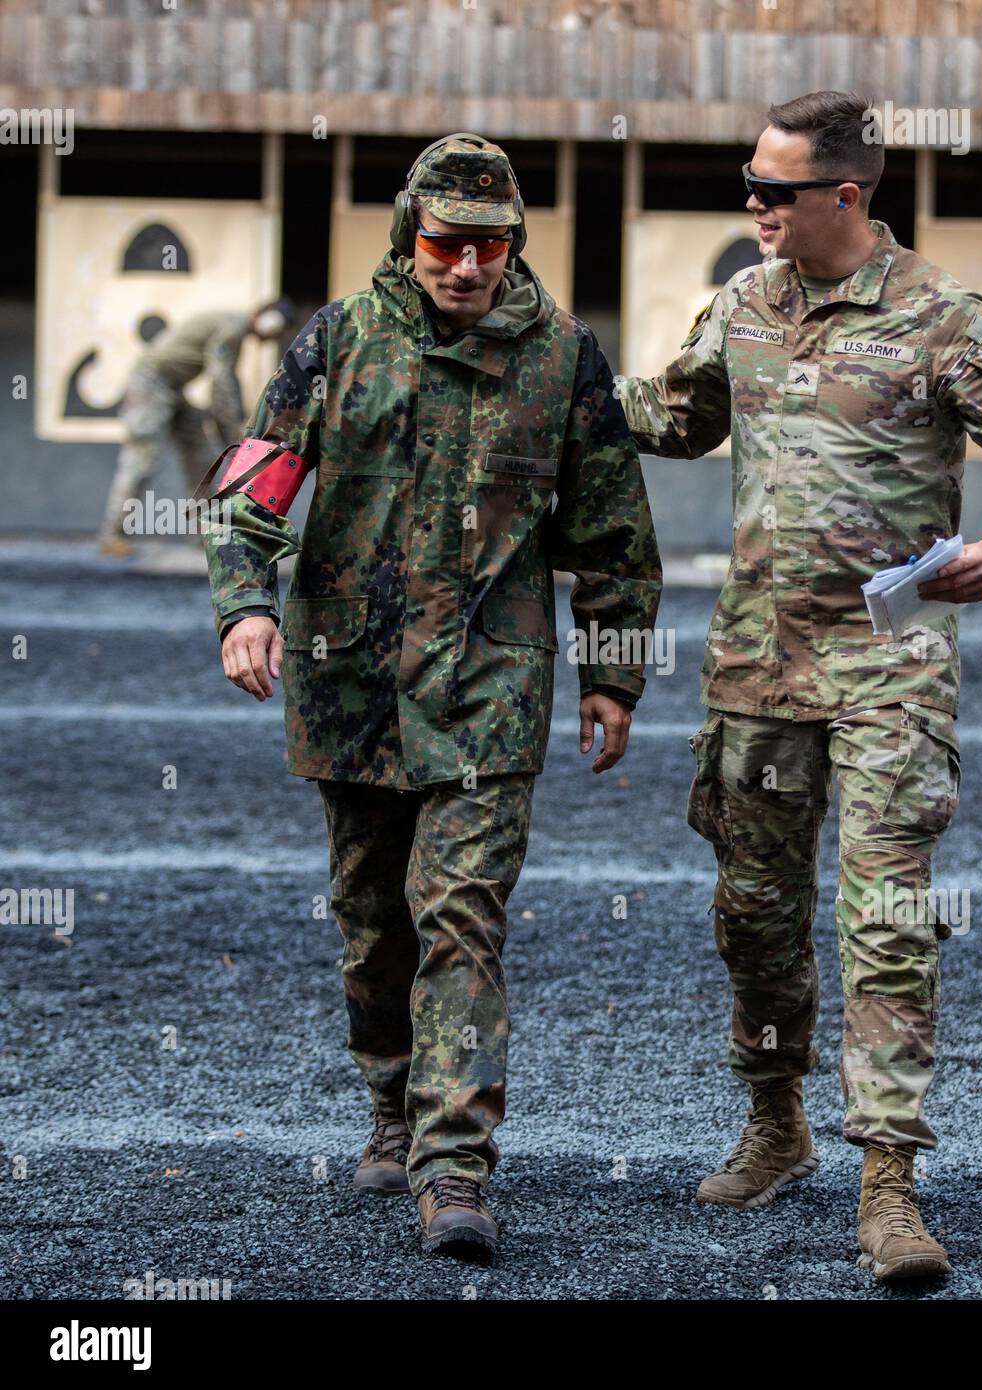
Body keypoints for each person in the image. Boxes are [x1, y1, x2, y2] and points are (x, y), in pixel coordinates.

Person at [616, 90, 982, 1282]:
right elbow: (675, 418)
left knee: (885, 921)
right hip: (754, 668)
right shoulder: (742, 304)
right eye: (749, 184)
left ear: (846, 194)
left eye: (774, 190)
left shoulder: (944, 319)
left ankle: (890, 1184)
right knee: (757, 920)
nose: (753, 205)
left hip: (892, 667)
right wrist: (552, 385)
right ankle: (778, 1123)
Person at [202, 134, 661, 1265]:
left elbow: (611, 532)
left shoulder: (562, 360)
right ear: (408, 241)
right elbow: (254, 482)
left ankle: (455, 1167)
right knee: (372, 926)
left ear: (514, 244)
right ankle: (391, 1104)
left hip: (487, 694)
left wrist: (611, 673)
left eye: (489, 245)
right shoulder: (339, 343)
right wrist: (243, 605)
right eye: (445, 244)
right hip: (349, 682)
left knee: (461, 918)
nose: (466, 266)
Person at [98, 299, 294, 555]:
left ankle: (202, 534)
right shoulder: (233, 326)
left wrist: (231, 429)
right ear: (269, 321)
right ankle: (112, 535)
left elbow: (227, 381)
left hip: (173, 389)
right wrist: (232, 429)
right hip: (151, 386)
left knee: (200, 459)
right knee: (140, 461)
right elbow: (221, 381)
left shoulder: (233, 327)